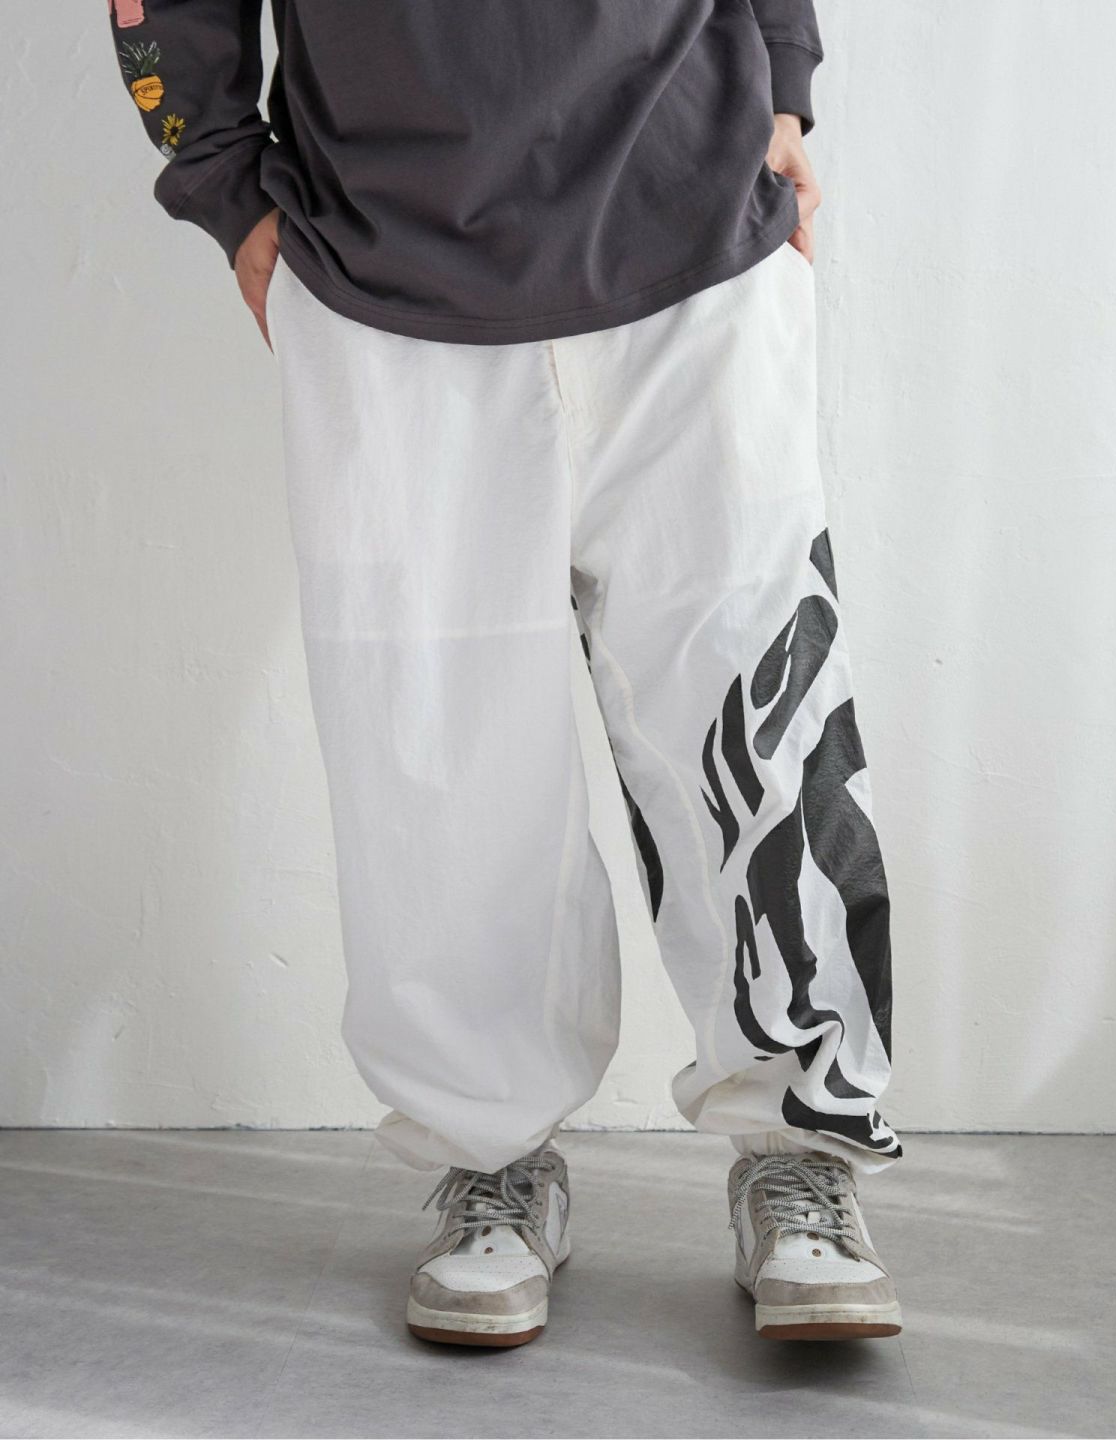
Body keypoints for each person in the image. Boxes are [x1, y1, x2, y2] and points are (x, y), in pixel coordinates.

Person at [107, 0, 903, 1347]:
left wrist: (784, 76)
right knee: (434, 754)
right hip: (384, 259)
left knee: (754, 715)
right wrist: (224, 181)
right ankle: (493, 1157)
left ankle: (802, 1146)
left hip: (692, 213)